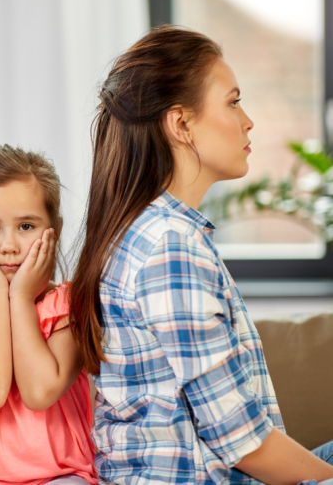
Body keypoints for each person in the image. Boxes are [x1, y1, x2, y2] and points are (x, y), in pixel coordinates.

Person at [69, 25, 333, 485]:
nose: (248, 120)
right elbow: (243, 443)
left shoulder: (149, 231)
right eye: (233, 102)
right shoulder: (169, 247)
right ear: (181, 124)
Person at [0, 145, 97, 485]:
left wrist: (22, 299)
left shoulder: (69, 305)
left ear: (54, 229)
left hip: (64, 475)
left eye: (26, 226)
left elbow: (40, 391)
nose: (8, 245)